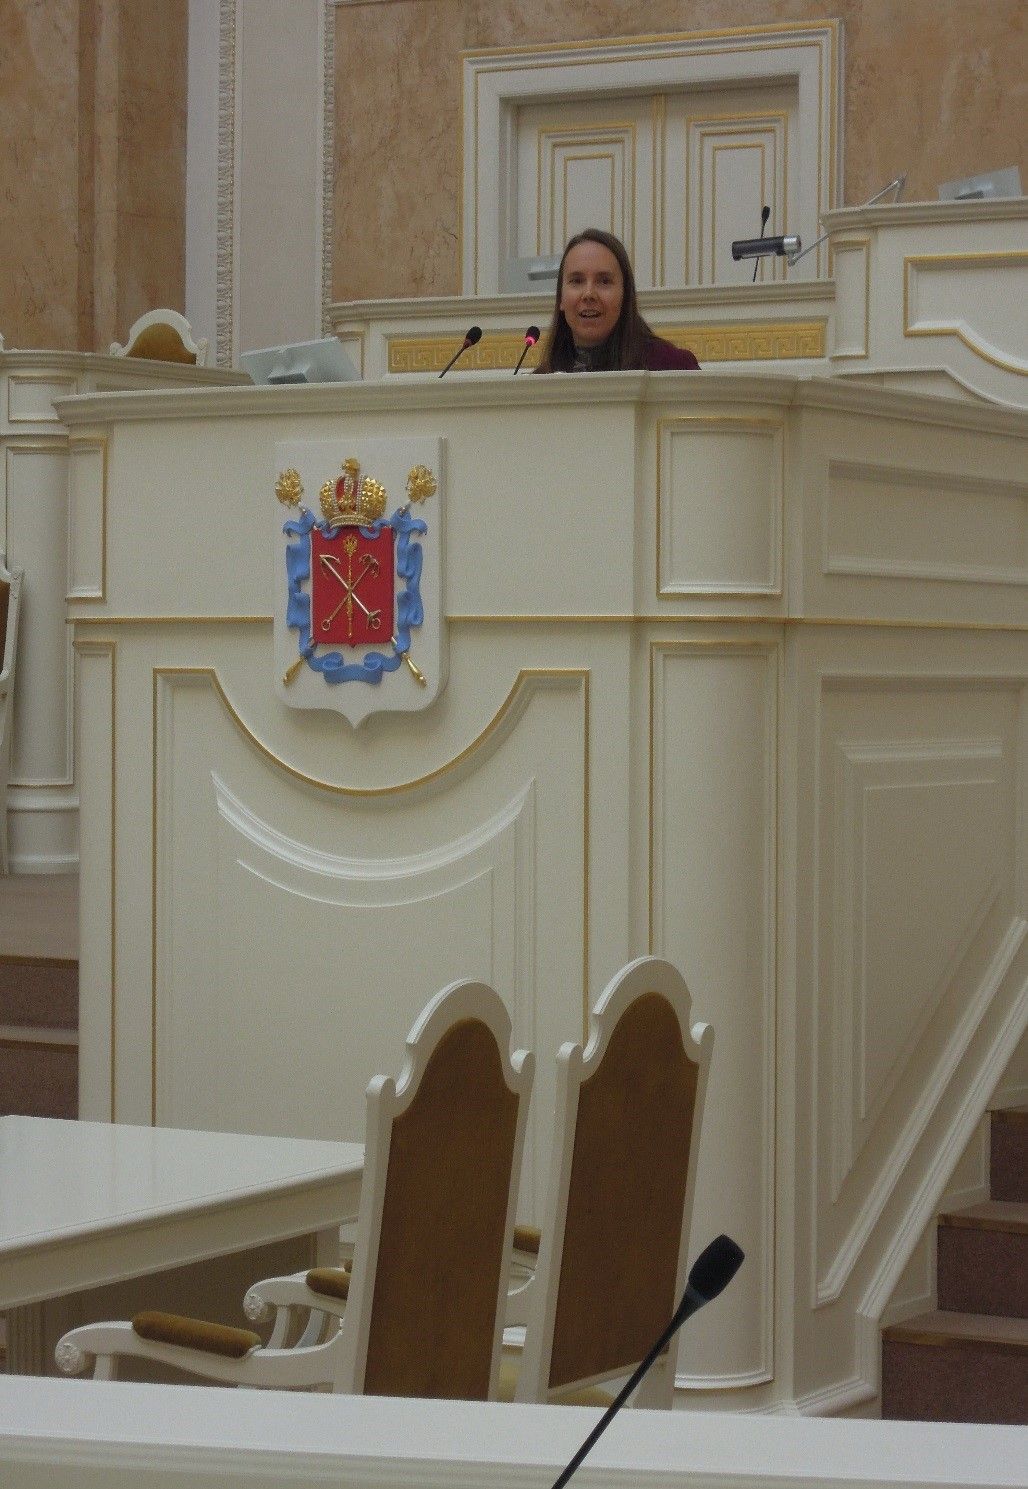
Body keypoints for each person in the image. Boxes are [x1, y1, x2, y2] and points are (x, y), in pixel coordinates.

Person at [534, 228, 699, 374]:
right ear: (561, 299)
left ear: (625, 295)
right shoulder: (538, 384)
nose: (589, 294)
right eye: (577, 281)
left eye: (604, 281)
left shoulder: (673, 367)